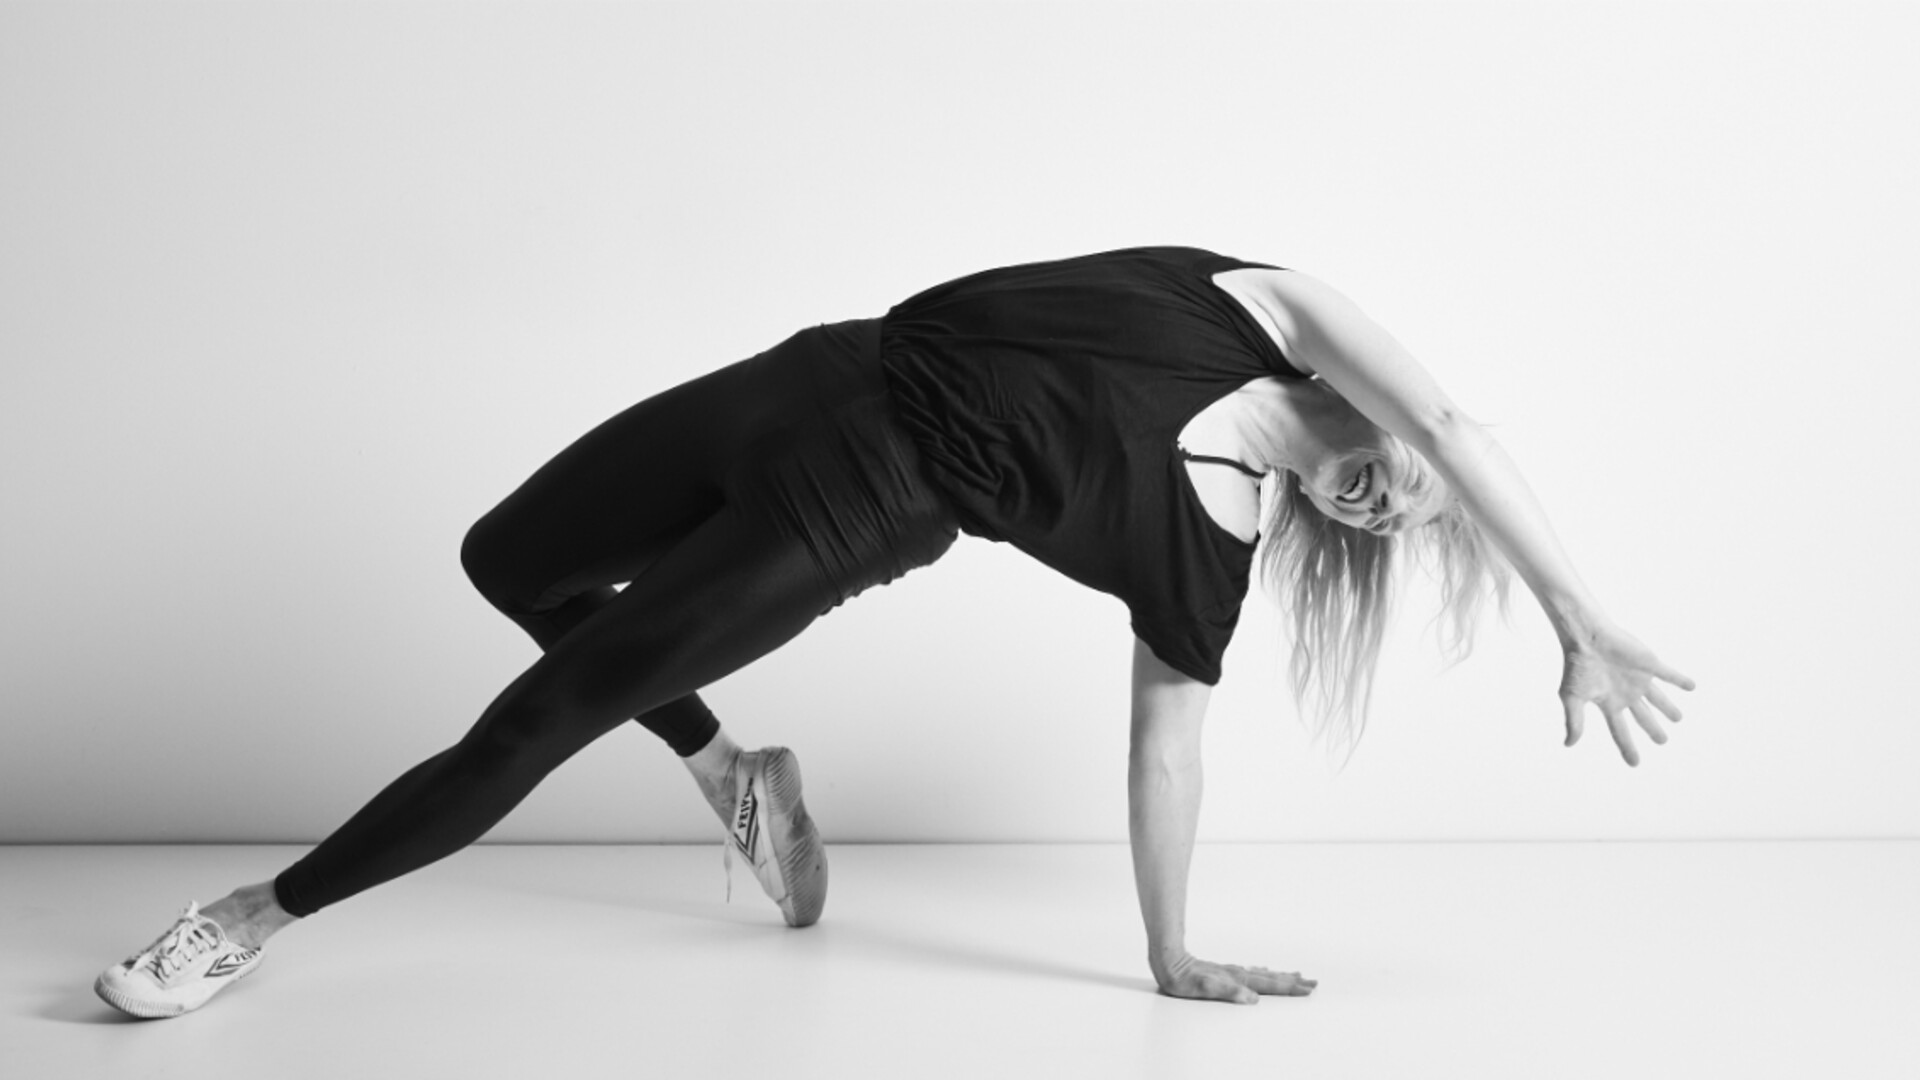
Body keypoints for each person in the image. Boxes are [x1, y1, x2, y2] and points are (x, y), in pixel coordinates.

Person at [94, 247, 1694, 1017]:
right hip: (817, 372)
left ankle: (248, 918)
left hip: (856, 509)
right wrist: (1580, 611)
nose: (1390, 507)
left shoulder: (1206, 544)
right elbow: (1459, 424)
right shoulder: (1263, 303)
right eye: (1415, 487)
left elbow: (1168, 743)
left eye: (1401, 529)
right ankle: (734, 774)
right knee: (508, 558)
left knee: (541, 718)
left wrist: (1169, 952)